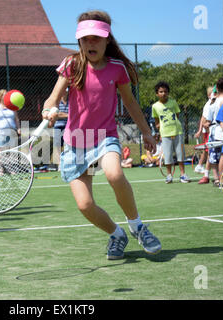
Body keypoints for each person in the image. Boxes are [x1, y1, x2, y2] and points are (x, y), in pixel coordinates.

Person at [42, 10, 161, 260]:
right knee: (85, 205)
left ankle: (137, 226)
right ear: (79, 41)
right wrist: (48, 108)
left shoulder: (117, 69)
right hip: (75, 143)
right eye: (85, 39)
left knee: (114, 173)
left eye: (96, 38)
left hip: (104, 136)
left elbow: (130, 103)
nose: (90, 43)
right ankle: (117, 235)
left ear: (108, 39)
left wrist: (147, 133)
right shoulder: (71, 64)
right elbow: (54, 96)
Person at [152, 81, 190, 184]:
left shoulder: (173, 102)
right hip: (165, 134)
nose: (163, 93)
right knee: (168, 156)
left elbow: (177, 115)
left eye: (165, 91)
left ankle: (183, 175)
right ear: (157, 94)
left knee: (180, 154)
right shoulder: (155, 106)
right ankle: (169, 176)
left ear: (168, 93)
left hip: (177, 132)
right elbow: (157, 122)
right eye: (160, 92)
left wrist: (173, 126)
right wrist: (160, 132)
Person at [198, 77, 223, 186]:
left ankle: (217, 178)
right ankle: (222, 179)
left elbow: (206, 122)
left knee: (214, 157)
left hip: (214, 133)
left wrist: (209, 125)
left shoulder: (212, 103)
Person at [0, 89, 21, 154]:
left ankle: (11, 163)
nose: (7, 96)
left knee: (12, 149)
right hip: (1, 131)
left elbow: (16, 119)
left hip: (12, 130)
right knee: (1, 149)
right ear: (0, 96)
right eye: (5, 95)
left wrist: (18, 128)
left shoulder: (11, 106)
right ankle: (0, 164)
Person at [194, 86, 214, 174]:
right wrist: (200, 130)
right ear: (209, 95)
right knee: (208, 150)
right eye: (213, 93)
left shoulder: (213, 103)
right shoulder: (208, 105)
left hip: (209, 131)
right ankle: (203, 167)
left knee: (207, 150)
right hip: (208, 132)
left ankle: (200, 165)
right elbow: (203, 118)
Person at [52, 88, 69, 170]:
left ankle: (67, 164)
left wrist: (61, 114)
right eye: (63, 91)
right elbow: (55, 114)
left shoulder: (71, 101)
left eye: (66, 92)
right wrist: (68, 115)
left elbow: (74, 113)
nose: (65, 93)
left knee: (68, 145)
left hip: (69, 126)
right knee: (58, 146)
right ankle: (59, 165)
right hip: (58, 126)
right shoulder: (56, 102)